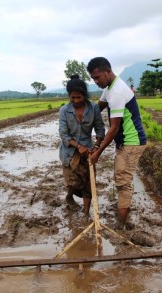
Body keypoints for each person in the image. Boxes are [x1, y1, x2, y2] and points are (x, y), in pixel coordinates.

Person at [86, 57, 147, 230]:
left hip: (131, 142)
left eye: (98, 77)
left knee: (122, 181)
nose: (96, 82)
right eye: (93, 79)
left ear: (108, 71)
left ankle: (122, 224)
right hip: (125, 141)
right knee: (121, 178)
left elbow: (113, 129)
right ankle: (124, 212)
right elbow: (98, 109)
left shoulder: (118, 92)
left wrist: (97, 152)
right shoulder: (109, 88)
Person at [59, 74, 105, 215]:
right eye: (72, 98)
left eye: (79, 97)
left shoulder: (93, 108)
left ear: (85, 95)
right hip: (69, 152)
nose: (76, 100)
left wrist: (96, 146)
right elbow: (64, 134)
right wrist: (78, 146)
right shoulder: (64, 111)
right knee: (73, 182)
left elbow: (100, 129)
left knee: (88, 184)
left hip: (88, 151)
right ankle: (69, 196)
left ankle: (86, 213)